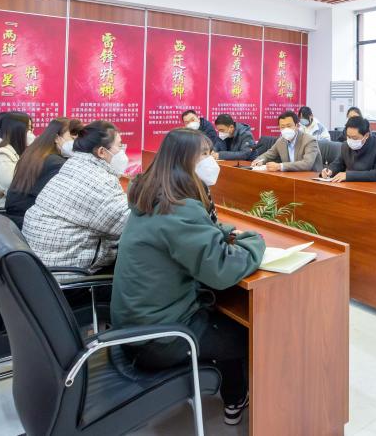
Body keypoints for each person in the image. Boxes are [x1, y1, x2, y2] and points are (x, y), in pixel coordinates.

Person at [112, 128, 265, 425]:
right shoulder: (179, 208)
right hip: (161, 338)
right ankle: (236, 399)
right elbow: (223, 269)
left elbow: (192, 234)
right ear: (184, 161)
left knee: (225, 314)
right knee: (248, 332)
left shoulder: (154, 196)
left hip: (135, 325)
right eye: (204, 154)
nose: (212, 160)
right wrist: (254, 241)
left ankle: (233, 393)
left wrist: (222, 233)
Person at [22, 121, 132, 272]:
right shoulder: (96, 181)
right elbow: (130, 223)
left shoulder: (75, 166)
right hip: (65, 273)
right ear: (101, 152)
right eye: (119, 146)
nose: (122, 151)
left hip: (42, 266)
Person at [4, 117, 84, 228]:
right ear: (56, 138)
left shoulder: (35, 154)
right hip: (32, 223)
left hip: (16, 220)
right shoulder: (56, 163)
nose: (76, 144)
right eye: (72, 138)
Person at [320, 115, 376, 183]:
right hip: (353, 186)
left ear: (366, 135)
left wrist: (348, 176)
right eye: (348, 136)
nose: (351, 140)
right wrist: (330, 170)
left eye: (354, 138)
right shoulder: (345, 145)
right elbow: (338, 164)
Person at [252, 110, 323, 172]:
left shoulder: (309, 140)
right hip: (290, 176)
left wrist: (280, 166)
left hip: (311, 178)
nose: (286, 129)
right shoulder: (281, 141)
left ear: (297, 126)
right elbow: (268, 155)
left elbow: (307, 164)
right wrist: (259, 160)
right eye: (282, 127)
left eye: (289, 126)